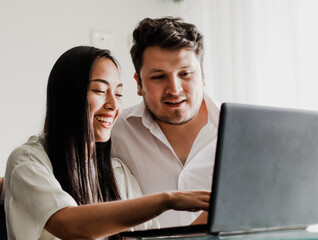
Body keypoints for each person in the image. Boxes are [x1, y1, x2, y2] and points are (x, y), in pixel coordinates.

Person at [4, 46, 210, 240]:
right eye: (100, 91)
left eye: (118, 94)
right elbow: (69, 226)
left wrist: (209, 220)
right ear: (69, 97)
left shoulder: (117, 171)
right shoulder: (28, 161)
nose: (113, 105)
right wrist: (167, 200)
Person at [111, 17, 219, 227]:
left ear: (203, 76)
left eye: (185, 74)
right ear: (139, 83)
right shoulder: (114, 132)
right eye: (159, 77)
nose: (175, 89)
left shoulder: (240, 133)